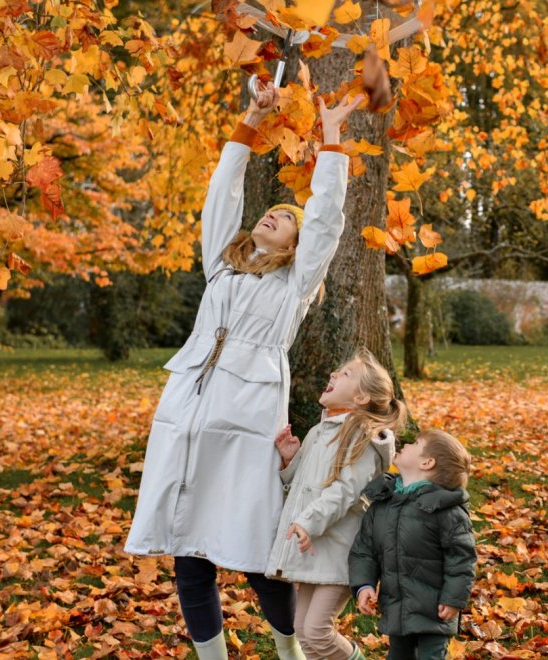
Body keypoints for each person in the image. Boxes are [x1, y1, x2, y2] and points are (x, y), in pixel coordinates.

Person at [123, 78, 366, 660]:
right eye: (269, 211)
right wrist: (250, 122)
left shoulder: (295, 288)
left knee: (257, 550)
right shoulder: (221, 271)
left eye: (285, 216)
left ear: (294, 244)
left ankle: (291, 651)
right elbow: (220, 196)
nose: (272, 216)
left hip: (248, 421)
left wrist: (331, 145)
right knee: (188, 551)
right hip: (186, 416)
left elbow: (327, 223)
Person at [266, 348, 407, 659]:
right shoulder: (320, 431)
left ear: (360, 398)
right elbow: (303, 484)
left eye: (346, 374)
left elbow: (345, 491)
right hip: (318, 547)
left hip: (343, 549)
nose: (333, 374)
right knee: (302, 629)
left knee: (317, 629)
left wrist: (307, 521)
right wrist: (290, 460)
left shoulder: (361, 436)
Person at [349, 430, 477, 660]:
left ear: (427, 463)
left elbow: (462, 559)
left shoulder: (446, 511)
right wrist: (364, 584)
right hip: (397, 606)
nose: (407, 444)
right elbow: (364, 550)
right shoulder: (383, 504)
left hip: (435, 609)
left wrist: (453, 598)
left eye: (416, 443)